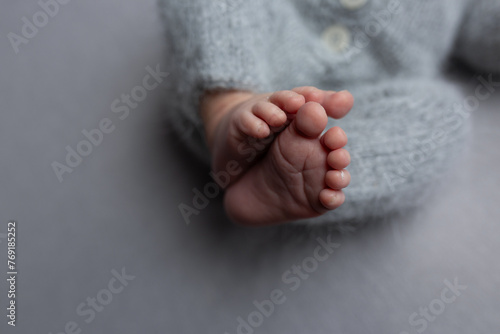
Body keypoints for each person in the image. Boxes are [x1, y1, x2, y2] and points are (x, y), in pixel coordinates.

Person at [160, 0, 500, 226]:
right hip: (253, 50)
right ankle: (226, 109)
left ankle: (294, 174)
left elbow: (485, 33)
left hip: (354, 106)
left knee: (444, 117)